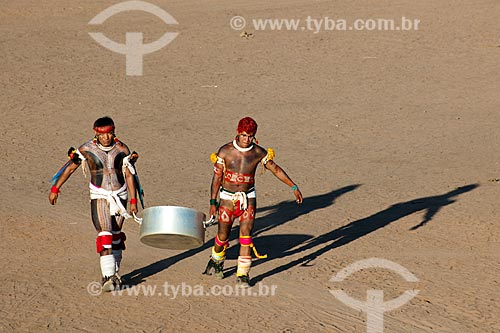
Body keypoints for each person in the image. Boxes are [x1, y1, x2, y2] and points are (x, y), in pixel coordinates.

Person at [203, 116, 303, 286]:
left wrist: (293, 186)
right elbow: (216, 178)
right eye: (243, 135)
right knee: (222, 235)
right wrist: (213, 202)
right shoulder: (225, 151)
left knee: (246, 235)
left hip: (248, 198)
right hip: (227, 198)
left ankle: (242, 273)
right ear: (237, 132)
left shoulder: (258, 153)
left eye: (250, 136)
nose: (246, 139)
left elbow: (275, 169)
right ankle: (216, 260)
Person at [48, 116, 139, 292]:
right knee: (104, 233)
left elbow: (129, 175)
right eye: (103, 134)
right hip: (100, 194)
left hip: (120, 195)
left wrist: (134, 201)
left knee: (116, 235)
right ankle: (107, 275)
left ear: (114, 132)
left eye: (110, 133)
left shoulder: (122, 149)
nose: (106, 137)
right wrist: (55, 188)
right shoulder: (86, 149)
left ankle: (115, 273)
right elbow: (70, 168)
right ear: (96, 133)